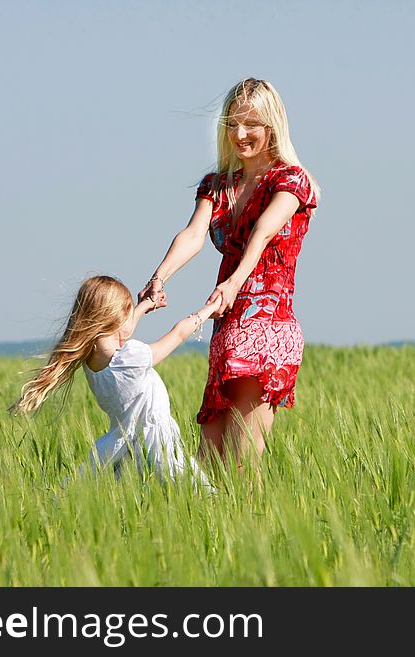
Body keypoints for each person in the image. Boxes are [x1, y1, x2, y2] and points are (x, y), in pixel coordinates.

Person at [138, 78, 319, 469]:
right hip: (225, 323)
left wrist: (235, 280)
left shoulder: (291, 180)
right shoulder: (217, 185)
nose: (239, 134)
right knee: (208, 463)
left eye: (251, 124)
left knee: (243, 459)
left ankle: (255, 530)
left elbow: (265, 229)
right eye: (232, 124)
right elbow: (193, 233)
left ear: (272, 125)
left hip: (265, 327)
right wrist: (160, 276)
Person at [11, 275, 218, 488]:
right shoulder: (130, 358)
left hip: (122, 447)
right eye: (128, 314)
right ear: (114, 319)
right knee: (197, 495)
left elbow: (120, 331)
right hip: (157, 446)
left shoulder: (91, 362)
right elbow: (178, 334)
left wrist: (143, 306)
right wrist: (210, 309)